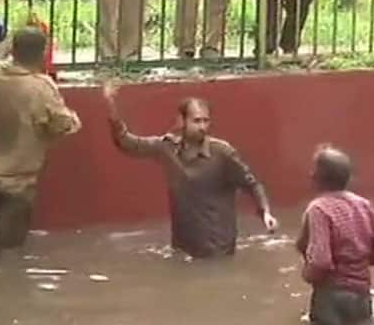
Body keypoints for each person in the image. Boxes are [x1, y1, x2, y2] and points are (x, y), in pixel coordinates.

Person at [102, 82, 277, 258]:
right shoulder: (167, 149)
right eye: (196, 121)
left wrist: (266, 212)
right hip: (183, 248)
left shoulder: (222, 152)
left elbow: (252, 184)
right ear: (181, 121)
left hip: (218, 249)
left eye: (206, 121)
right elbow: (127, 143)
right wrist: (111, 105)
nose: (202, 127)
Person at [0, 27, 82, 249]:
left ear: (13, 49)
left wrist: (7, 42)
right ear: (43, 53)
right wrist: (74, 121)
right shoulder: (40, 87)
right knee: (10, 255)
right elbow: (61, 125)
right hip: (16, 182)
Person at [296, 145, 374, 325]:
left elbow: (321, 261)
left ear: (317, 178)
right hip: (362, 298)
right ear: (347, 178)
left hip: (331, 299)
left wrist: (306, 274)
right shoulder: (364, 205)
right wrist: (356, 260)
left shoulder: (319, 209)